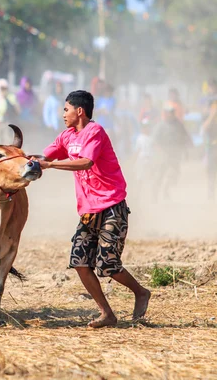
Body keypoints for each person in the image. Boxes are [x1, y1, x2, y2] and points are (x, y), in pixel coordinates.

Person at [37, 90, 151, 328]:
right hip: (88, 211)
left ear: (80, 111)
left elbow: (86, 161)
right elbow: (44, 156)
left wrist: (51, 165)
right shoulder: (67, 136)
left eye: (66, 109)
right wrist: (25, 160)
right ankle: (107, 313)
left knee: (108, 264)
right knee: (79, 261)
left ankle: (140, 292)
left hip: (112, 206)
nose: (63, 114)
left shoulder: (95, 132)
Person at [151, 103, 192, 202]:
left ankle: (166, 190)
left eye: (172, 112)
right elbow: (154, 141)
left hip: (175, 154)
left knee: (174, 174)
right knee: (160, 175)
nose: (171, 114)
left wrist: (186, 149)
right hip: (163, 155)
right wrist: (160, 152)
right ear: (165, 113)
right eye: (169, 112)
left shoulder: (178, 124)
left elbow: (185, 137)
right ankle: (154, 195)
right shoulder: (160, 125)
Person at [0, 79, 19, 143]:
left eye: (5, 88)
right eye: (2, 88)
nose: (4, 90)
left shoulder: (11, 97)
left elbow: (16, 108)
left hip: (8, 122)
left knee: (8, 140)